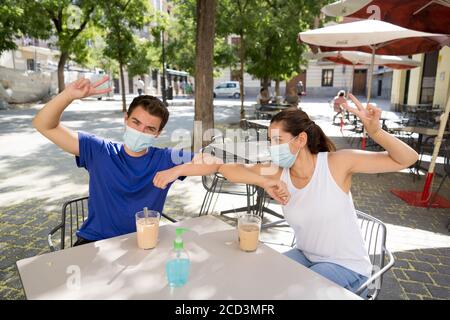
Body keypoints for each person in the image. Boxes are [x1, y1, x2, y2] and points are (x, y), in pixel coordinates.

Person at [218, 94, 419, 296]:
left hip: (347, 266)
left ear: (301, 139)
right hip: (306, 255)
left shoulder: (337, 163)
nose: (272, 147)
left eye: (278, 140)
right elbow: (228, 169)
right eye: (271, 141)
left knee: (297, 293)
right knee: (259, 277)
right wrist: (263, 181)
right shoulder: (278, 172)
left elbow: (408, 159)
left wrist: (376, 132)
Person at [32, 76, 222, 246]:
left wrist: (177, 171)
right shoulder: (98, 150)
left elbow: (214, 160)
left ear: (157, 134)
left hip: (143, 241)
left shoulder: (164, 158)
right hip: (94, 242)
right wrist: (68, 95)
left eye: (149, 128)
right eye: (136, 123)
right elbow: (43, 124)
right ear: (126, 119)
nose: (140, 131)